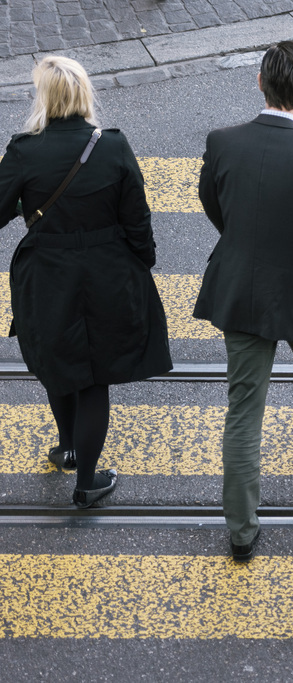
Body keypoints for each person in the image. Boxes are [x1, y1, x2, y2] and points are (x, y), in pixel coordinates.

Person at [194, 41, 293, 562]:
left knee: (244, 410)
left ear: (259, 82)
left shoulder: (222, 142)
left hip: (240, 288)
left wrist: (244, 238)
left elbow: (211, 202)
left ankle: (241, 531)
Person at [0, 56, 172, 507]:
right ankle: (88, 482)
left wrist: (30, 205)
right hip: (107, 274)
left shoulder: (23, 150)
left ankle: (67, 446)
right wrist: (142, 264)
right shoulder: (112, 146)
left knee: (58, 362)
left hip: (47, 275)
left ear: (44, 97)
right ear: (82, 94)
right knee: (95, 377)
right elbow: (137, 217)